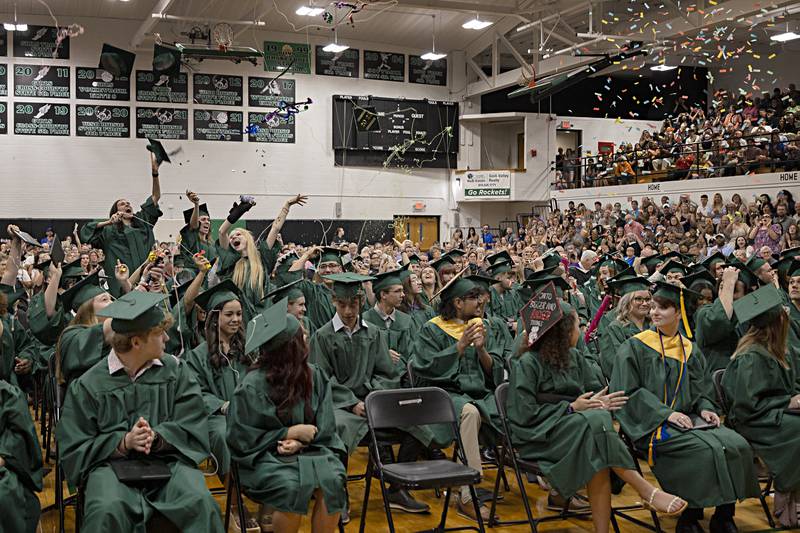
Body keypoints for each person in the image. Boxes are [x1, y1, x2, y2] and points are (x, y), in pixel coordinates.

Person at [508, 294, 686, 533]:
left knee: (598, 446)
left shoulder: (574, 358)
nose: (581, 331)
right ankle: (644, 489)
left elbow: (593, 392)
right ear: (561, 332)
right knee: (595, 426)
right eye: (577, 326)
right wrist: (571, 408)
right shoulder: (528, 363)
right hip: (540, 436)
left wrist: (597, 402)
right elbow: (523, 414)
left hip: (579, 430)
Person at [56, 291, 224, 533]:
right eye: (159, 333)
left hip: (168, 463)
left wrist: (157, 438)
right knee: (106, 510)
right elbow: (74, 446)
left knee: (200, 503)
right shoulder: (89, 384)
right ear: (136, 342)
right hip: (110, 468)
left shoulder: (176, 373)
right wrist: (123, 443)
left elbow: (193, 422)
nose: (167, 338)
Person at [610, 282, 759, 533]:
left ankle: (724, 514)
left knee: (736, 445)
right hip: (653, 424)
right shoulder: (635, 346)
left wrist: (705, 408)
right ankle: (688, 516)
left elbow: (700, 389)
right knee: (700, 451)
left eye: (663, 308)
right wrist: (667, 413)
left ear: (678, 313)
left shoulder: (689, 348)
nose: (655, 312)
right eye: (653, 307)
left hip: (690, 420)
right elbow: (628, 392)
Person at [309, 273, 430, 518]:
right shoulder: (322, 336)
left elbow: (386, 372)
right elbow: (322, 379)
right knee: (338, 428)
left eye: (353, 304)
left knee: (417, 422)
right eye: (341, 304)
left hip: (373, 403)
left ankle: (398, 488)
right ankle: (338, 494)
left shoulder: (373, 333)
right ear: (334, 302)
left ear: (361, 302)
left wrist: (376, 400)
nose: (347, 310)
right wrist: (353, 403)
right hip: (339, 406)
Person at [227, 300, 345, 533]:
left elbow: (325, 426)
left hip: (312, 449)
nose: (307, 338)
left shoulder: (314, 376)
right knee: (291, 486)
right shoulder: (252, 385)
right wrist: (285, 434)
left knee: (334, 480)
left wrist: (301, 441)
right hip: (264, 458)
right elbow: (241, 438)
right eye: (301, 336)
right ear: (289, 349)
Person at [413, 272, 505, 522]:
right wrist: (459, 347)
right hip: (443, 397)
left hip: (480, 395)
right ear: (457, 302)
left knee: (514, 409)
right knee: (470, 412)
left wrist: (482, 349)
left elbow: (494, 370)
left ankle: (555, 486)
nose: (481, 302)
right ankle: (469, 495)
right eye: (474, 297)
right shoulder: (432, 329)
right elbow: (425, 367)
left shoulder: (482, 327)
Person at [721, 284, 800, 524]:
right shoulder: (751, 356)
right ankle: (787, 496)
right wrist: (788, 402)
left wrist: (793, 399)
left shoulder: (779, 350)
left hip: (773, 414)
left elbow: (790, 386)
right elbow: (746, 405)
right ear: (778, 323)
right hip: (753, 421)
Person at [183, 280, 249, 478]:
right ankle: (233, 497)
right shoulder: (198, 355)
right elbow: (195, 393)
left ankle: (265, 491)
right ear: (214, 318)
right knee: (223, 433)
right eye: (229, 314)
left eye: (238, 314)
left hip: (248, 412)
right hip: (215, 418)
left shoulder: (249, 349)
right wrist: (222, 406)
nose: (236, 319)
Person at [80, 153, 163, 297]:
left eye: (128, 203)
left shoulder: (142, 222)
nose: (127, 204)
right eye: (122, 204)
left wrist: (155, 173)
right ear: (115, 211)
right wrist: (109, 222)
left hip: (149, 278)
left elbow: (155, 197)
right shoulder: (108, 231)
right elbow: (85, 232)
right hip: (123, 284)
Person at [0, 377, 44, 533]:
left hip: (3, 470)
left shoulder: (7, 395)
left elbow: (20, 438)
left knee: (5, 495)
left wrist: (4, 456)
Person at [362, 269, 416, 374]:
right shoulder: (364, 321)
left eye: (402, 290)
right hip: (374, 380)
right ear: (383, 295)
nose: (403, 295)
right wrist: (382, 355)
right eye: (397, 291)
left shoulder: (406, 320)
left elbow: (412, 353)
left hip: (404, 380)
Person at [598, 276, 651, 380]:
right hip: (630, 385)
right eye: (638, 299)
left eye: (647, 299)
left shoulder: (654, 325)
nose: (645, 303)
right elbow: (615, 364)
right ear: (627, 302)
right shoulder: (615, 329)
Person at [177, 192, 217, 274]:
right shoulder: (191, 239)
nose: (207, 222)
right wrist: (196, 204)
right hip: (192, 278)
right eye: (203, 219)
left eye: (208, 220)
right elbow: (193, 226)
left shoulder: (212, 245)